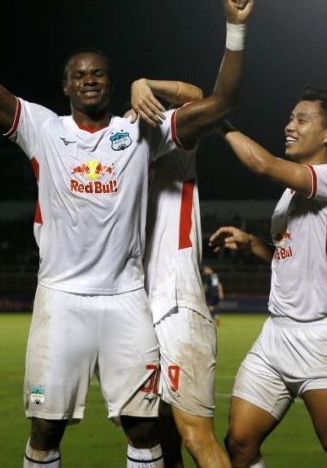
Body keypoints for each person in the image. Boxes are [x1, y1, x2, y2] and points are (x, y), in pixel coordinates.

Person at [0, 0, 253, 468]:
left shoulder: (139, 131)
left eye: (97, 73)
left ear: (111, 82)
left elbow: (220, 104)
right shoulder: (42, 129)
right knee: (46, 429)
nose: (89, 79)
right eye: (79, 75)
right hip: (61, 300)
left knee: (145, 428)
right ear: (65, 86)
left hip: (126, 300)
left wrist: (234, 30)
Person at [207, 87, 327, 468]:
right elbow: (286, 254)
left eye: (301, 120)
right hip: (275, 336)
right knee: (239, 443)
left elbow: (263, 164)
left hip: (318, 339)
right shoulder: (290, 194)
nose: (289, 126)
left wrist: (220, 123)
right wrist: (251, 244)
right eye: (290, 118)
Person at [129, 77, 241, 467]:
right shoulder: (120, 161)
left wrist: (144, 85)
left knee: (196, 437)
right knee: (159, 439)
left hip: (177, 306)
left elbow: (201, 99)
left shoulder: (173, 145)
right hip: (138, 310)